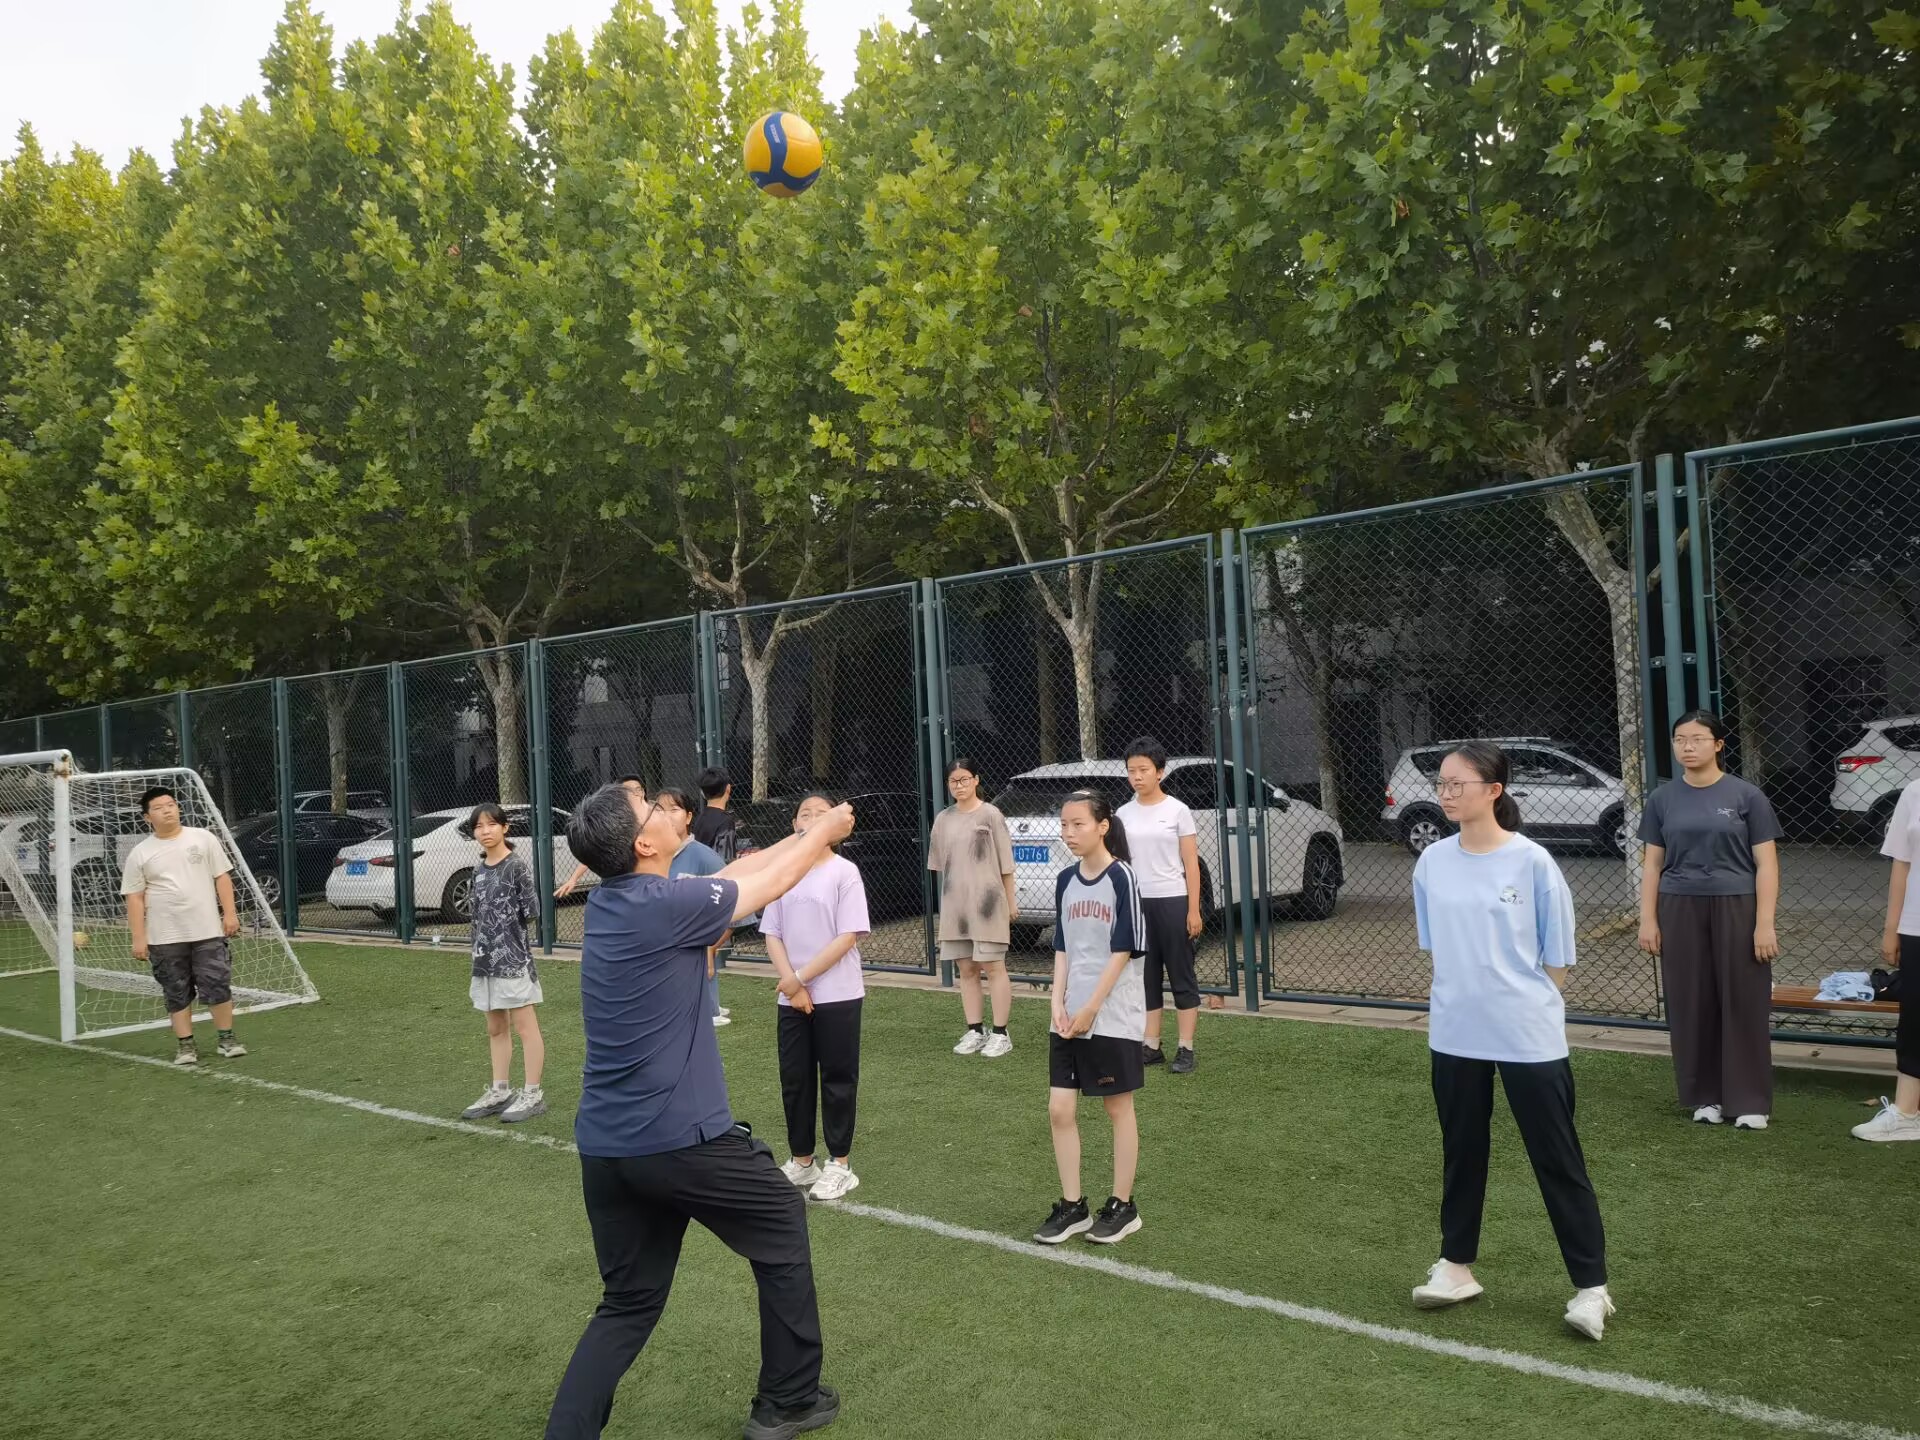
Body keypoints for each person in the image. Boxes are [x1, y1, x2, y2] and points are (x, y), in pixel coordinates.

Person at [543, 783, 855, 1440]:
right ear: (644, 844)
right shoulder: (665, 905)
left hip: (608, 1148)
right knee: (781, 1218)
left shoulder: (619, 901)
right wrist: (825, 834)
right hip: (678, 1141)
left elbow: (746, 870)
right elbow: (770, 885)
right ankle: (788, 1401)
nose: (664, 810)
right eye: (651, 810)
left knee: (628, 1304)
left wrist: (805, 834)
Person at [1410, 743, 1613, 1341]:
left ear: (1494, 790)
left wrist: (1521, 1006)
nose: (1447, 793)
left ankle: (1592, 1288)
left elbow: (1558, 960)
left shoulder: (1533, 863)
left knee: (1557, 1157)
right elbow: (1437, 947)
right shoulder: (1432, 862)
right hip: (1455, 1031)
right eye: (1442, 784)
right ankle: (1455, 1267)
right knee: (1462, 1150)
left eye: (1459, 784)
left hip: (1527, 1035)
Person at [1636, 710, 1784, 1130]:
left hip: (1738, 906)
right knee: (1691, 1000)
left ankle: (1749, 1101)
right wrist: (1648, 919)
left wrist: (1764, 923)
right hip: (1679, 907)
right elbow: (1652, 864)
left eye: (1698, 739)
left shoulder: (1747, 796)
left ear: (1718, 745)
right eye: (1680, 739)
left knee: (1743, 1000)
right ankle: (1705, 1097)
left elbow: (1767, 864)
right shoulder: (1662, 799)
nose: (1687, 747)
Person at [1035, 789, 1147, 1247]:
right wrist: (1057, 1003)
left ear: (1103, 826)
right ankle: (1073, 1206)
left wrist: (1091, 1007)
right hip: (1068, 1015)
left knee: (1116, 1107)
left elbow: (1124, 949)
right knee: (1059, 1109)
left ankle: (1123, 1207)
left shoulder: (1122, 877)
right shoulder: (1065, 879)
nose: (1069, 832)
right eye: (1064, 824)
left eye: (1078, 824)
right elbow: (1062, 947)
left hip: (1111, 1015)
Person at [762, 792, 872, 1202]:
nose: (810, 819)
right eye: (803, 814)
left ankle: (840, 1164)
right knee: (795, 1079)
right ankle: (802, 1160)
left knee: (838, 1079)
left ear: (836, 827)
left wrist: (799, 979)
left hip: (838, 994)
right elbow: (772, 933)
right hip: (792, 997)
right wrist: (792, 985)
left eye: (820, 814)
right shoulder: (783, 873)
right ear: (794, 825)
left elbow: (847, 937)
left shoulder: (845, 872)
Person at [121, 784, 245, 1065]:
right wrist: (138, 937)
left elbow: (222, 877)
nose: (167, 811)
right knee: (176, 991)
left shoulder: (203, 838)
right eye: (159, 808)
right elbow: (135, 897)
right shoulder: (140, 853)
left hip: (207, 931)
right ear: (147, 817)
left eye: (171, 804)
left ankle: (226, 1038)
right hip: (164, 936)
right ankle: (186, 1045)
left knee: (217, 984)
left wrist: (230, 914)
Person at [1116, 736, 1203, 1074]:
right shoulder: (1123, 813)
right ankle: (1151, 1045)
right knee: (1145, 977)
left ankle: (1186, 1048)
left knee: (1181, 975)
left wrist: (1193, 909)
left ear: (1160, 772)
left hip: (1173, 901)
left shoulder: (1178, 810)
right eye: (1131, 770)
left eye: (1143, 769)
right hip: (1137, 904)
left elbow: (1191, 864)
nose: (1137, 776)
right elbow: (1119, 864)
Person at [458, 804, 546, 1124]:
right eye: (479, 827)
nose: (485, 831)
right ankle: (500, 1091)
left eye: (492, 824)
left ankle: (533, 1093)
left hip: (512, 959)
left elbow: (531, 911)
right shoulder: (477, 870)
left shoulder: (516, 866)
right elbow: (476, 916)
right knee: (495, 1028)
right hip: (484, 961)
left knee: (525, 1027)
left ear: (505, 828)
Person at [929, 757, 1017, 1057]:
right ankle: (975, 1030)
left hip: (988, 903)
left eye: (965, 779)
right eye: (953, 781)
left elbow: (1006, 864)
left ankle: (1001, 1033)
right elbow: (941, 865)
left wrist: (1011, 902)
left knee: (993, 967)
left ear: (976, 780)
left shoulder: (991, 814)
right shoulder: (943, 819)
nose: (959, 785)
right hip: (956, 906)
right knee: (966, 969)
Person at [1854, 777, 1920, 1140]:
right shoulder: (1914, 792)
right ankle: (1907, 1113)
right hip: (1917, 926)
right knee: (1915, 1020)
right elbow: (1902, 864)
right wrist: (1892, 928)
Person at [655, 785, 733, 1028]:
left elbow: (735, 913)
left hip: (694, 980)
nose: (666, 816)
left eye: (674, 809)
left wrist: (709, 949)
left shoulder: (705, 858)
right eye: (659, 810)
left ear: (689, 817)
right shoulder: (647, 856)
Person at [556, 776, 645, 899]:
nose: (636, 794)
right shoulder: (616, 822)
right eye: (629, 790)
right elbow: (597, 851)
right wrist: (573, 879)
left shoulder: (655, 816)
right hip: (622, 884)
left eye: (638, 789)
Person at [693, 765, 740, 860]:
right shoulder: (726, 821)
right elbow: (727, 858)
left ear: (702, 793)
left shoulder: (699, 818)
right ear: (728, 788)